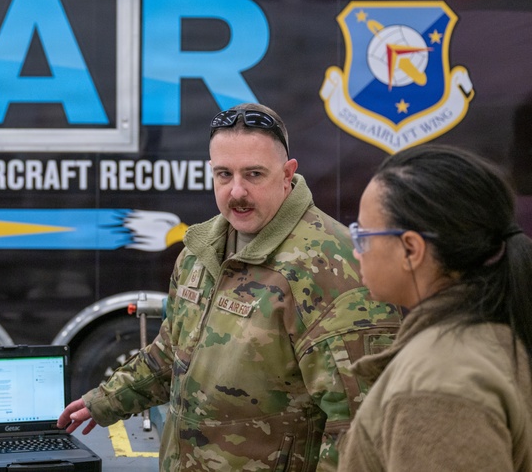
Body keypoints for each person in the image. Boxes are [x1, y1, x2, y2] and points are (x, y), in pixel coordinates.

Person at [58, 103, 402, 471]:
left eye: (254, 174)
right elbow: (172, 354)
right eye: (224, 174)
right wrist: (105, 400)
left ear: (287, 174)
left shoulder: (330, 266)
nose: (237, 191)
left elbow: (360, 425)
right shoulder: (200, 251)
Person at [338, 144, 532, 471]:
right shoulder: (489, 332)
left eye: (364, 235)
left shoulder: (436, 383)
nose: (358, 252)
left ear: (410, 249)